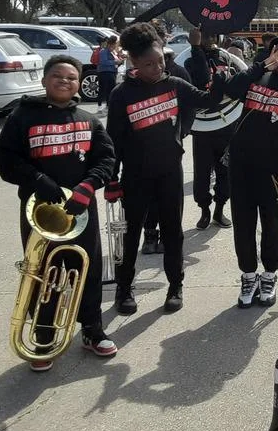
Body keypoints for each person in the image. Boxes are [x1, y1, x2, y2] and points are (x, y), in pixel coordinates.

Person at [0, 54, 118, 372]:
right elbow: (6, 158)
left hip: (80, 210)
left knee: (85, 271)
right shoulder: (22, 116)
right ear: (45, 79)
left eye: (72, 77)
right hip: (40, 210)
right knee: (44, 274)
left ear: (79, 83)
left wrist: (89, 186)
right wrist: (37, 179)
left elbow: (106, 159)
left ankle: (92, 329)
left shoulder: (89, 120)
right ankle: (45, 334)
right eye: (58, 76)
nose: (65, 81)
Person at [105, 23, 223, 315]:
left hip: (169, 172)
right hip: (135, 176)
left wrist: (212, 69)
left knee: (173, 233)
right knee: (131, 235)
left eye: (160, 61)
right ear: (133, 63)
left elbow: (208, 99)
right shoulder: (121, 95)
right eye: (149, 64)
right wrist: (111, 179)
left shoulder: (174, 84)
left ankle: (175, 285)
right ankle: (124, 289)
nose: (157, 67)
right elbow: (114, 142)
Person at [223, 35, 278, 308]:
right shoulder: (255, 78)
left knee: (271, 225)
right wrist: (262, 66)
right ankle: (249, 275)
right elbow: (231, 89)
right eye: (276, 49)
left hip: (272, 173)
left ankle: (270, 274)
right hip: (239, 165)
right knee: (243, 223)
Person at [184, 33, 247, 231]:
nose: (209, 39)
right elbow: (200, 82)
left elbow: (241, 85)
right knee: (202, 174)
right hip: (203, 127)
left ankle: (220, 209)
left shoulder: (228, 59)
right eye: (204, 36)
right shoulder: (189, 61)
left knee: (225, 171)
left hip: (227, 125)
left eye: (212, 35)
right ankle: (204, 209)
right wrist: (196, 49)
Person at [139, 43, 191, 255]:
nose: (157, 67)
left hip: (170, 152)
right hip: (143, 156)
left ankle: (170, 236)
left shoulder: (177, 76)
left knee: (172, 199)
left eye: (161, 61)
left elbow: (191, 105)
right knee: (149, 198)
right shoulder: (134, 84)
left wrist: (182, 131)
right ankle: (150, 234)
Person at [95, 35, 122, 114]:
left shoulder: (113, 52)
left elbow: (116, 61)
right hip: (104, 72)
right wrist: (115, 62)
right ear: (110, 44)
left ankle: (108, 105)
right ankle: (99, 106)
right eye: (114, 45)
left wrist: (120, 60)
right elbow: (103, 62)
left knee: (111, 90)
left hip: (112, 72)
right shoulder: (103, 51)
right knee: (103, 89)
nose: (115, 47)